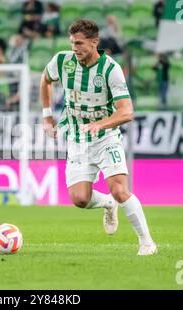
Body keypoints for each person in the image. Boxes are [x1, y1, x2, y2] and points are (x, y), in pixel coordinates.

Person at [40, 20, 157, 256]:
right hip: (76, 138)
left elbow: (127, 111)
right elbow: (45, 79)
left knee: (120, 190)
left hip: (106, 138)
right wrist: (47, 116)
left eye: (80, 43)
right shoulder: (62, 61)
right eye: (72, 43)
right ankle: (107, 204)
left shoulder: (110, 69)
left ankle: (147, 242)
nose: (75, 48)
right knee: (79, 199)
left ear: (94, 42)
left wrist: (100, 124)